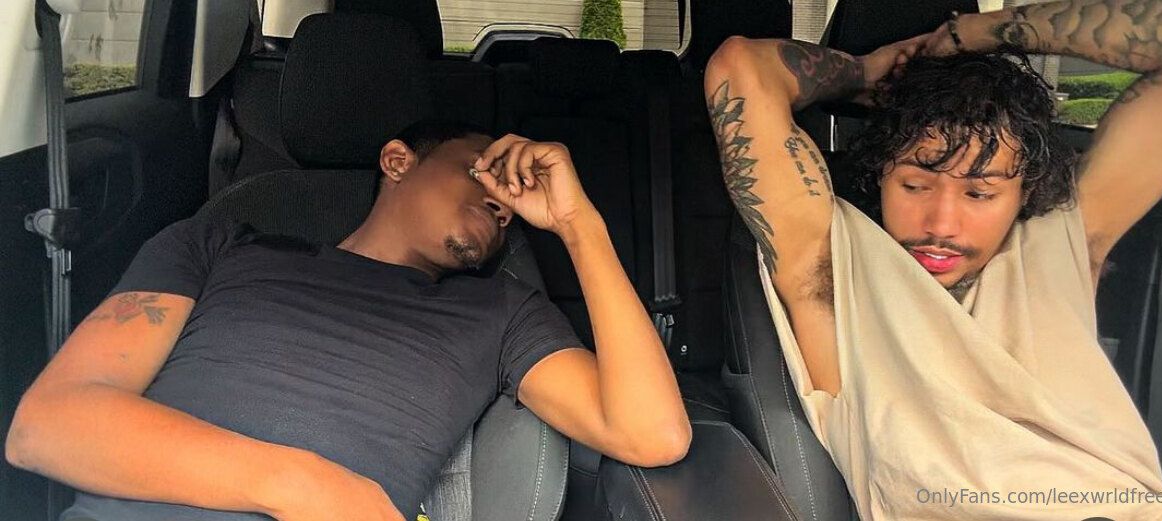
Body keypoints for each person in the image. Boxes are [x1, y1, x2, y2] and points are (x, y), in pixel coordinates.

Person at [5, 120, 691, 521]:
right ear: (397, 161)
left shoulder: (503, 311)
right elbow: (47, 425)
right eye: (484, 174)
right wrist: (299, 482)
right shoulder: (217, 244)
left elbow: (652, 433)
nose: (504, 205)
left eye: (514, 205)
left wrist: (577, 224)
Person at [705, 0, 1162, 519]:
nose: (941, 225)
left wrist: (976, 33)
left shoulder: (1059, 240)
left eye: (980, 194)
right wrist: (866, 71)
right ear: (881, 173)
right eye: (914, 185)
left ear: (1025, 192)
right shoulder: (834, 268)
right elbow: (741, 67)